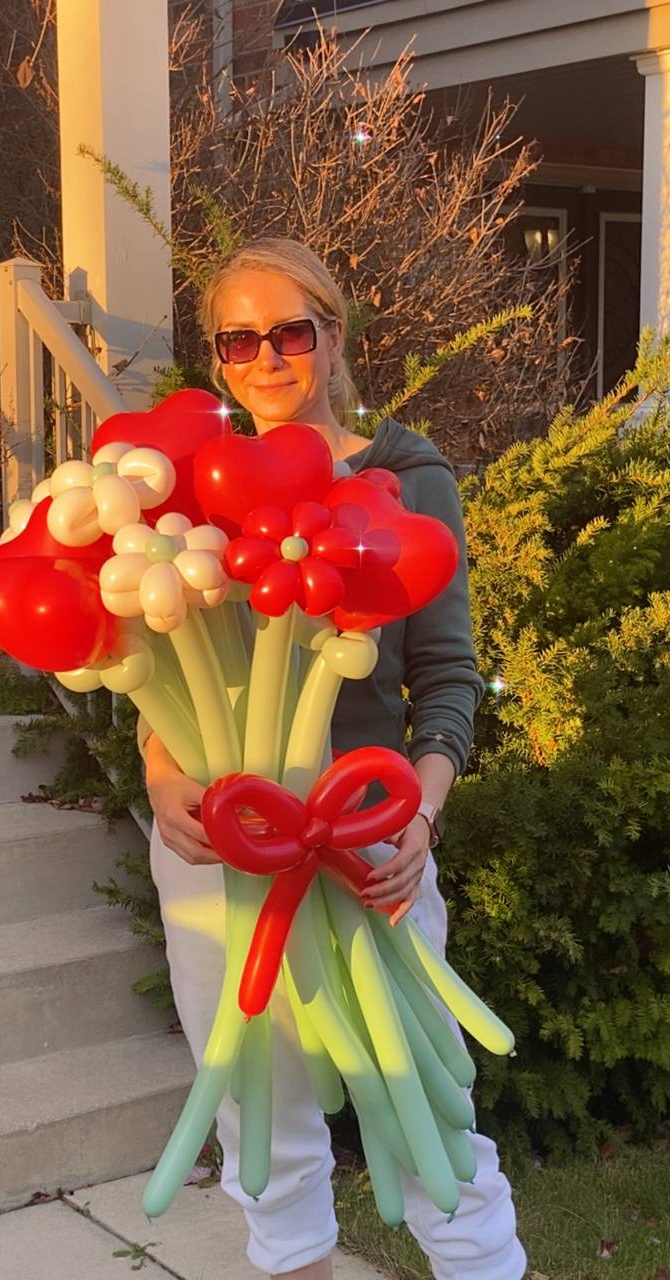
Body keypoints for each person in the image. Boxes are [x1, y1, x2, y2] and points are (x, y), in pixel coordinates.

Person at [138, 237, 527, 1280]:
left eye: (291, 332)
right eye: (240, 338)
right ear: (218, 357)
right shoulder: (186, 484)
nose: (268, 357)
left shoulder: (406, 472)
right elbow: (149, 662)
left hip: (368, 838)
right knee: (260, 1124)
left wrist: (419, 818)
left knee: (424, 1107)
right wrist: (163, 779)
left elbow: (447, 676)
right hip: (222, 847)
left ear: (334, 335)